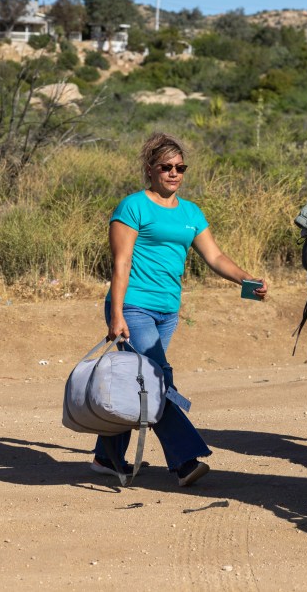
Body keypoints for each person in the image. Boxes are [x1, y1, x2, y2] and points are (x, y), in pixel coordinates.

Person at [94, 132, 268, 487]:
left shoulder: (191, 212)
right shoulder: (133, 206)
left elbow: (215, 257)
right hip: (133, 306)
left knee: (138, 380)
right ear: (150, 169)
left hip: (167, 311)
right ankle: (185, 460)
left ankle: (106, 457)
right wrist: (116, 314)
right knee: (157, 379)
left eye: (180, 167)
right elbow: (122, 262)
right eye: (166, 167)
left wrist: (248, 280)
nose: (174, 173)